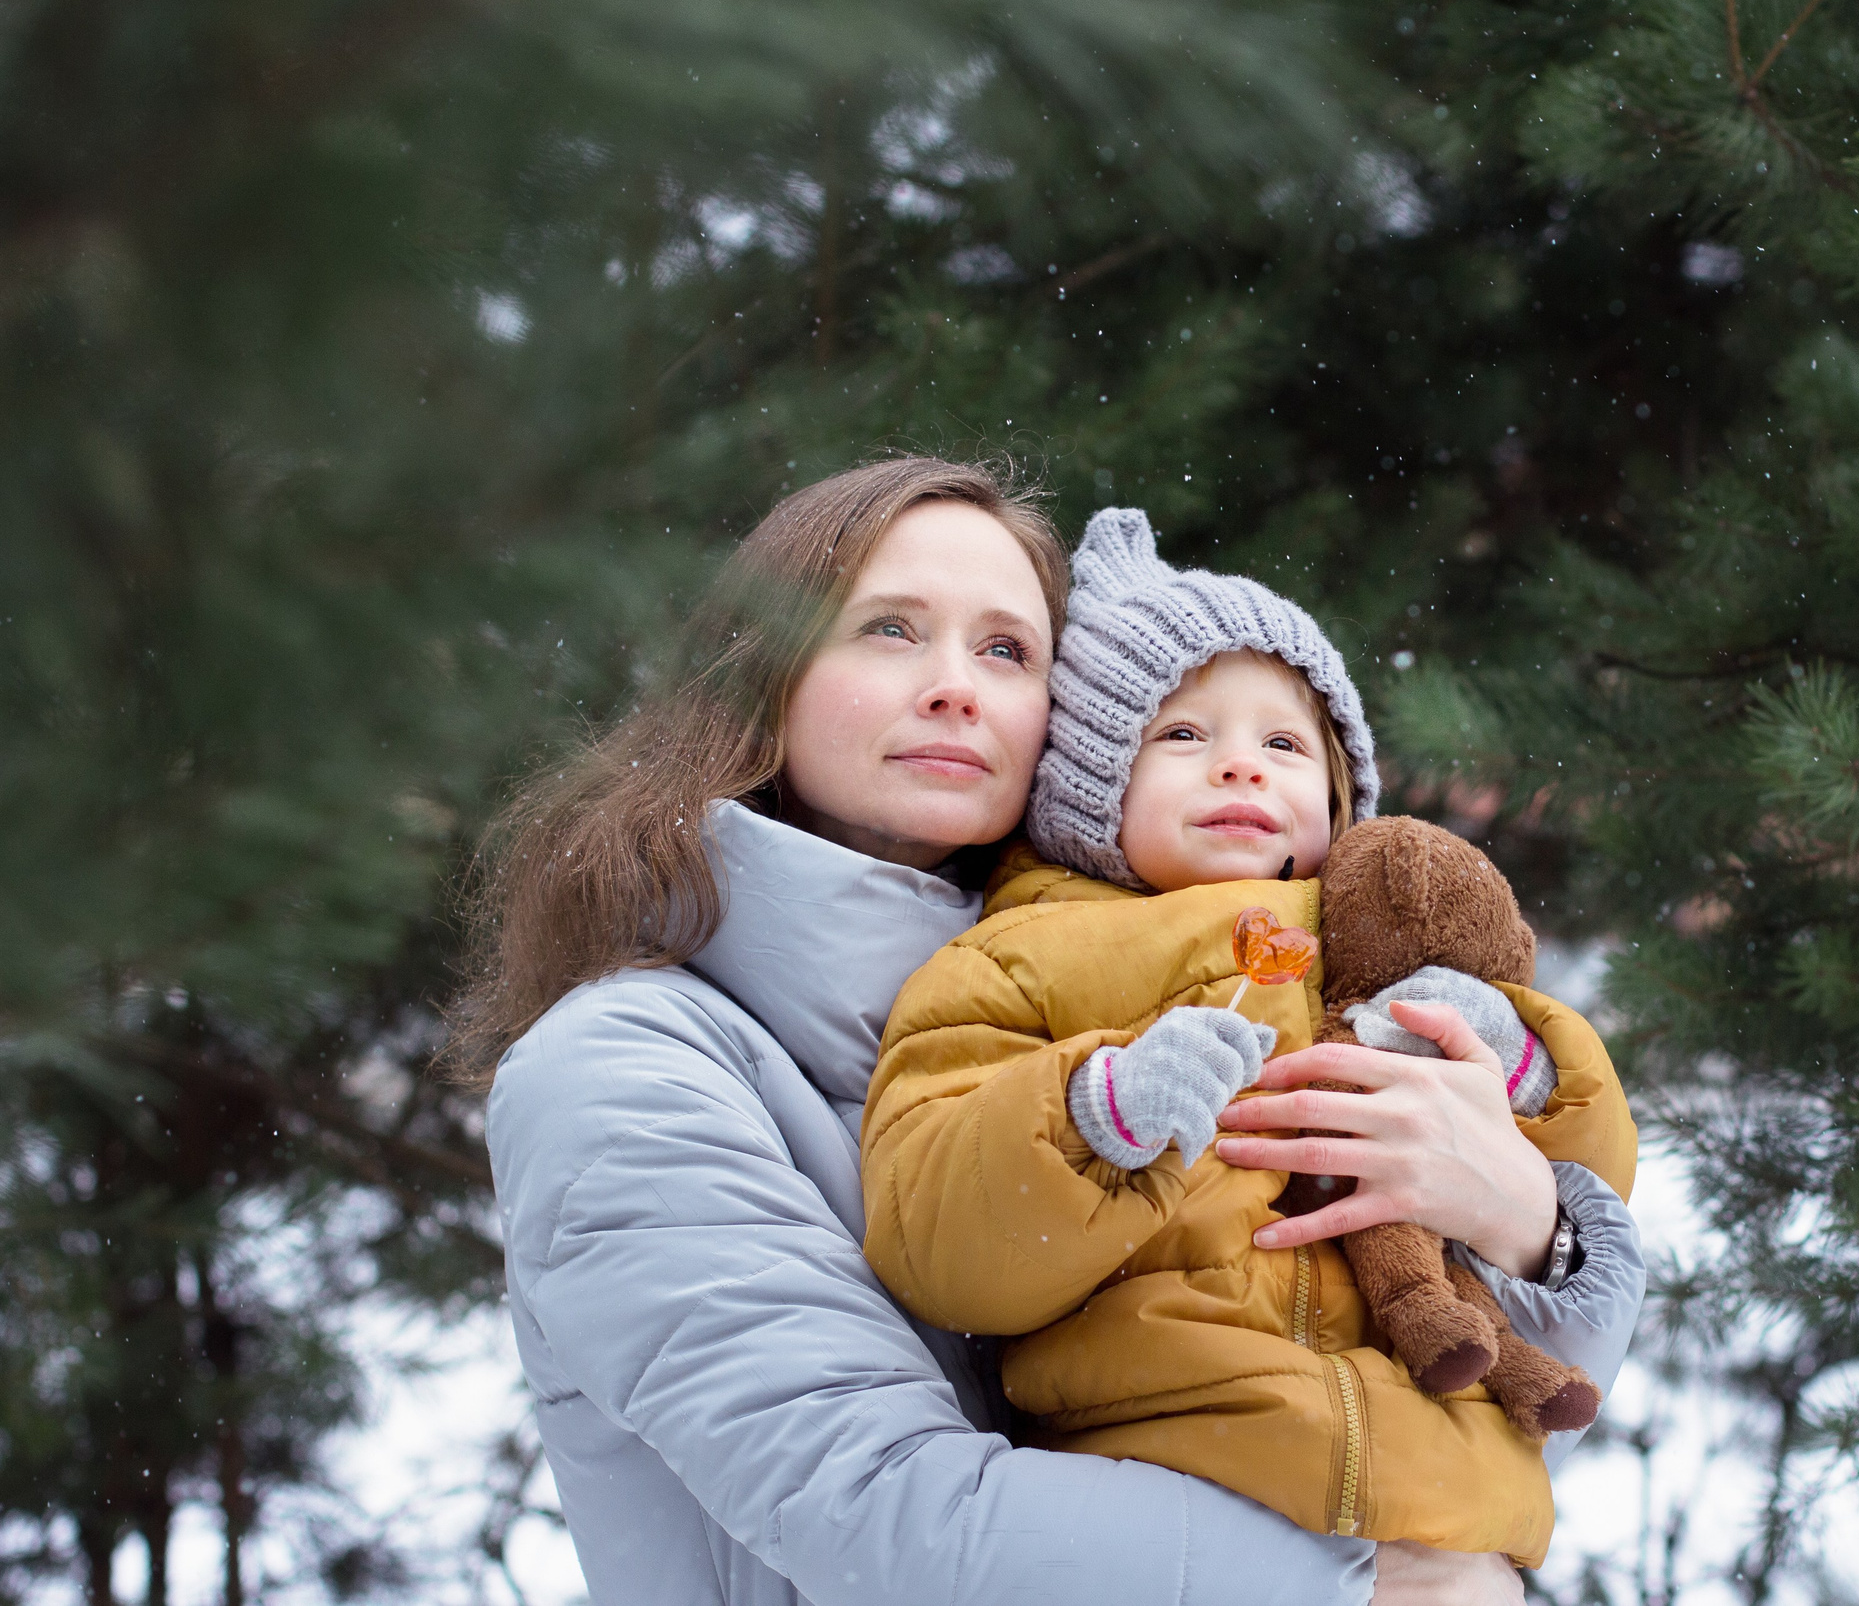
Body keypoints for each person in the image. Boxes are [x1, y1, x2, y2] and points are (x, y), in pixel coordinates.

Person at [443, 459, 1645, 1606]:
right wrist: (1359, 1585)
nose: (957, 684)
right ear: (760, 678)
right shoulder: (620, 1068)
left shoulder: (1148, 992)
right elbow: (879, 1517)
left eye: (1007, 649)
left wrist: (1529, 1228)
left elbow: (1371, 1362)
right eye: (888, 628)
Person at [861, 508, 1635, 1566]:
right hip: (1181, 1486)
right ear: (1087, 784)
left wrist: (1519, 1069)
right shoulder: (1019, 960)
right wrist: (1093, 1111)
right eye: (1182, 735)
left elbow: (1589, 1185)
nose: (1241, 768)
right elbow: (939, 1246)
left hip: (1449, 1505)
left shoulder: (1396, 957)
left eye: (1282, 743)